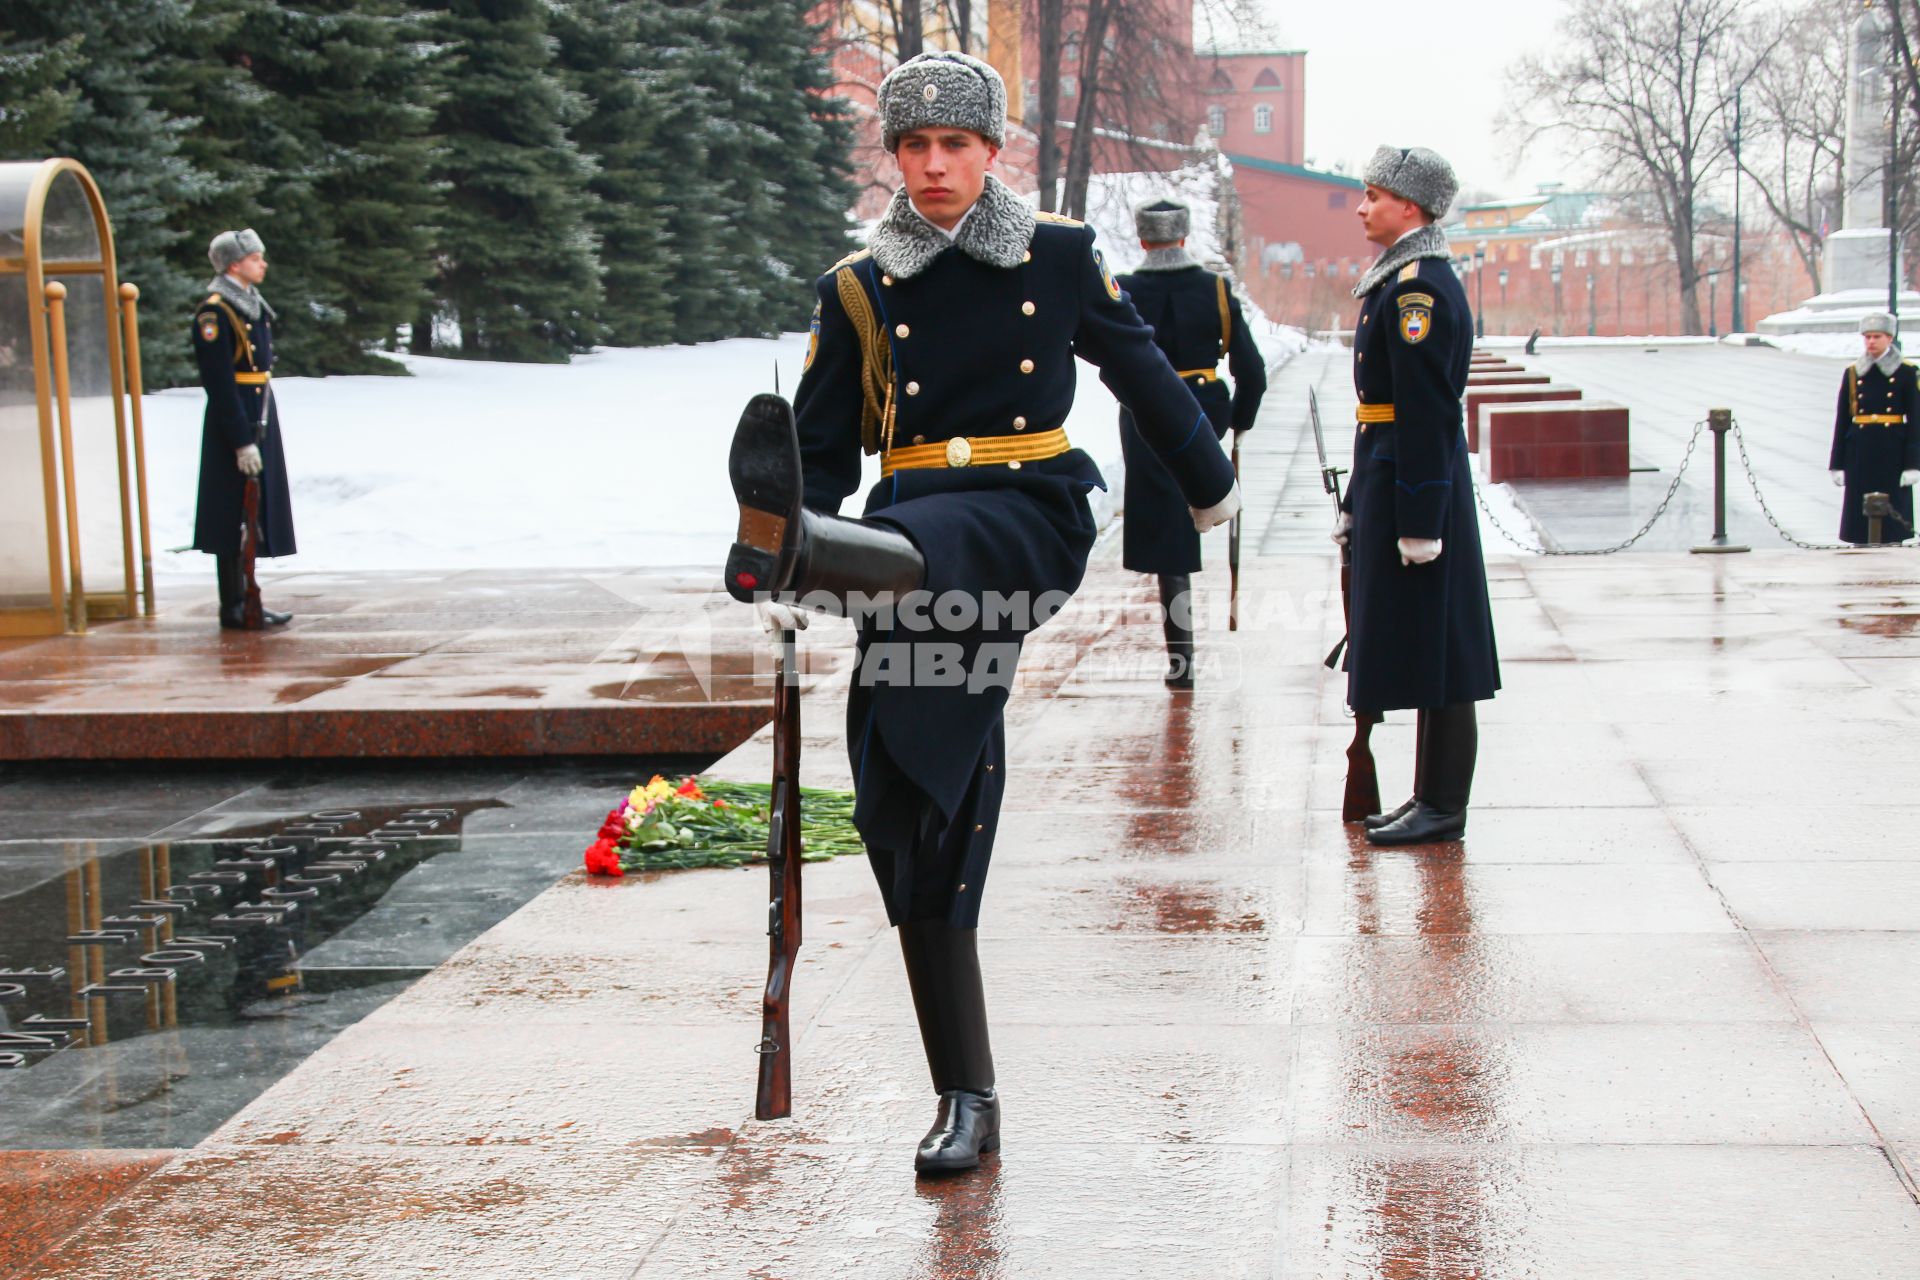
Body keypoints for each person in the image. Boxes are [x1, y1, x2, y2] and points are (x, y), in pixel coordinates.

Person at [722, 51, 1239, 1175]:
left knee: (922, 560)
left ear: (991, 151)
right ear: (896, 159)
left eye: (955, 145)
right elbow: (818, 443)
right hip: (910, 536)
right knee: (906, 796)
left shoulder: (1053, 254)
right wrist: (794, 519)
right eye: (914, 147)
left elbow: (1141, 371)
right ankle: (967, 1090)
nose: (935, 165)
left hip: (1022, 507)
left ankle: (813, 557)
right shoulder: (858, 285)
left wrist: (1208, 483)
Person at [1334, 145, 1499, 846]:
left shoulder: (1417, 291)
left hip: (1416, 482)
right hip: (1392, 473)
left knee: (1446, 653)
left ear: (1410, 205)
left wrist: (1420, 515)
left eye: (1374, 194)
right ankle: (1429, 795)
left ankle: (1444, 805)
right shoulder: (1402, 279)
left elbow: (1427, 411)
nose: (1363, 207)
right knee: (1432, 648)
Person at [1114, 197, 1267, 688]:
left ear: (1143, 239)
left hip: (1145, 412)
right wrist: (1240, 420)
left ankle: (1181, 659)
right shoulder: (1216, 289)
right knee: (1181, 523)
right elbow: (1253, 371)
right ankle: (1183, 656)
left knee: (1165, 533)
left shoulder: (1124, 290)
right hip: (1203, 408)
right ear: (1183, 237)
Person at [192, 228, 294, 628]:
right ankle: (232, 603)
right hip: (233, 417)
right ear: (235, 264)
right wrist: (239, 442)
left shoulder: (250, 304)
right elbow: (218, 381)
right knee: (231, 512)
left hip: (259, 409)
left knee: (252, 511)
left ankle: (247, 597)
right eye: (255, 257)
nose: (262, 263)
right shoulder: (215, 312)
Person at [1829, 312, 1920, 545]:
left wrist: (1913, 464)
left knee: (1891, 516)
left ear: (1890, 338)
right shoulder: (1853, 373)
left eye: (1876, 336)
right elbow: (1843, 420)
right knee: (1859, 516)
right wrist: (1837, 464)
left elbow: (1916, 421)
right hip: (1860, 451)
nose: (1871, 342)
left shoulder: (1907, 372)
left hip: (1893, 450)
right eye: (1867, 337)